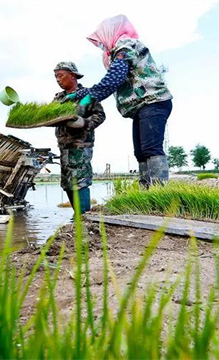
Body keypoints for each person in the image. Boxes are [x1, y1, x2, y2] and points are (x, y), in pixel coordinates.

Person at [65, 14, 173, 188]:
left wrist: (89, 97)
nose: (101, 46)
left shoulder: (126, 45)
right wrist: (79, 93)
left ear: (110, 33)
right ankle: (146, 190)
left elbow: (113, 79)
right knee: (140, 152)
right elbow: (110, 80)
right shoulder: (120, 51)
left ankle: (160, 192)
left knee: (151, 149)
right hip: (141, 106)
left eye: (101, 41)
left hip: (153, 102)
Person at [53, 61, 106, 217]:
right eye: (56, 76)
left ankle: (85, 217)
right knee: (67, 182)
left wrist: (84, 123)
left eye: (60, 75)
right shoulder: (59, 98)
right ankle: (78, 216)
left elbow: (100, 115)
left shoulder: (87, 94)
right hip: (64, 145)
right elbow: (49, 116)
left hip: (80, 145)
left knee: (80, 180)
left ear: (73, 75)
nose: (57, 79)